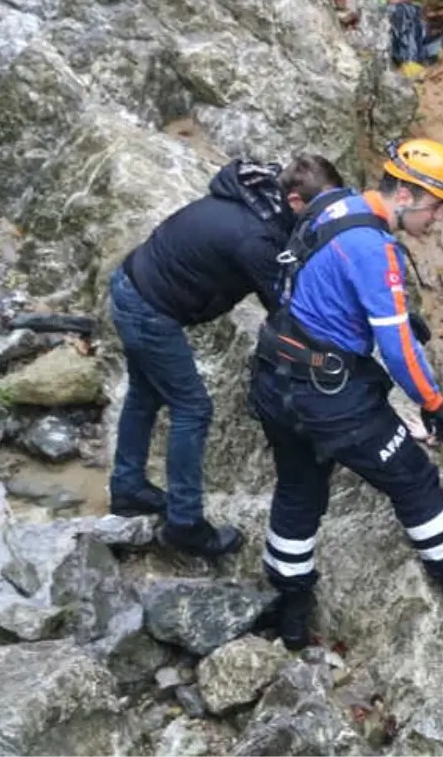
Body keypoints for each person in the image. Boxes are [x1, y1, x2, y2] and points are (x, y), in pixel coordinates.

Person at [247, 137, 443, 648]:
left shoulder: (334, 206)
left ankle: (291, 604)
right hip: (330, 395)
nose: (437, 220)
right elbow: (399, 346)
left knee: (298, 487)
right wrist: (435, 406)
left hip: (275, 376)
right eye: (434, 207)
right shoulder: (371, 246)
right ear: (403, 195)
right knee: (413, 478)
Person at [108, 154, 344, 557]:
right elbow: (287, 311)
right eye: (320, 210)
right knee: (192, 408)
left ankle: (128, 486)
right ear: (296, 202)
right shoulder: (257, 239)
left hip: (133, 285)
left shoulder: (258, 197)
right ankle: (185, 523)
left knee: (145, 396)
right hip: (149, 308)